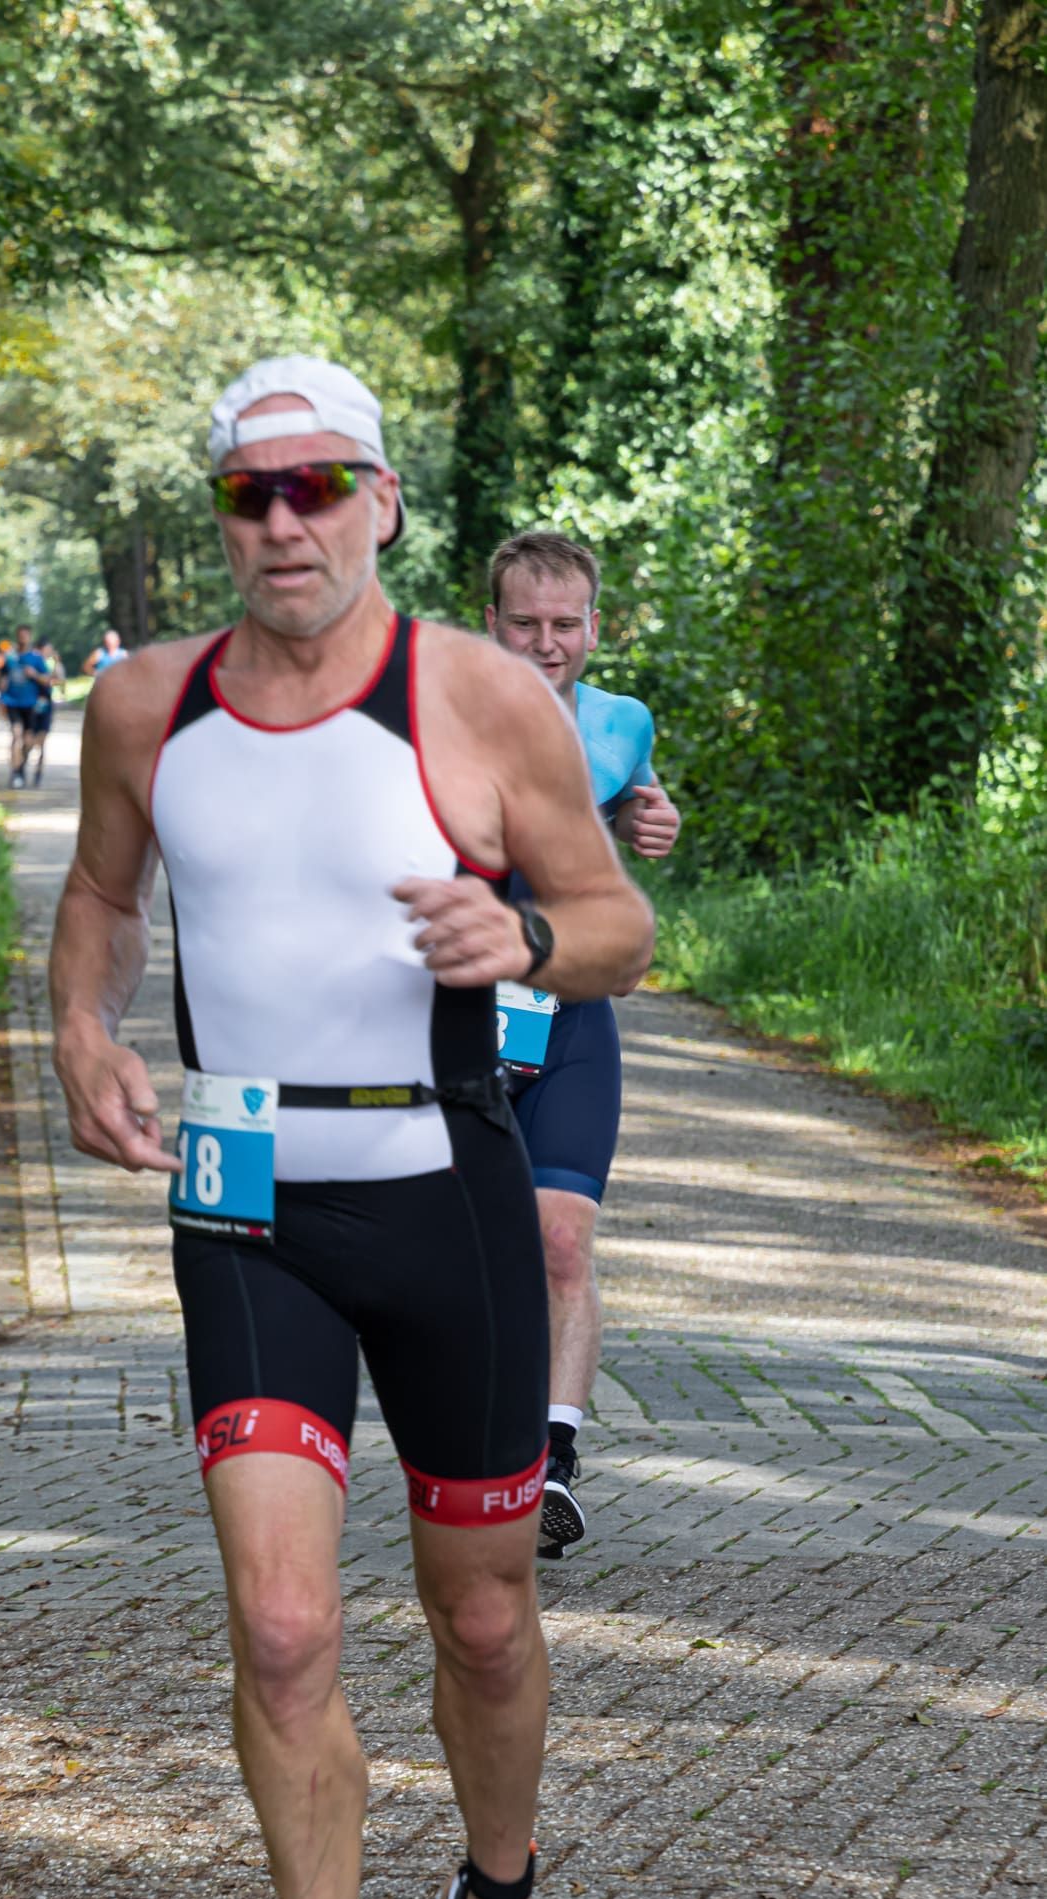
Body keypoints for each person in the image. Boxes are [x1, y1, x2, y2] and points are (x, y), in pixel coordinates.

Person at [49, 355, 653, 1899]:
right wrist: (75, 1030)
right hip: (241, 1191)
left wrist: (528, 930)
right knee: (287, 1627)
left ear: (381, 500)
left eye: (320, 487)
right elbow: (96, 896)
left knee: (478, 1619)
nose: (285, 522)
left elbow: (623, 924)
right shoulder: (146, 702)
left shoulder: (474, 695)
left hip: (440, 1183)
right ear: (221, 516)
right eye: (252, 494)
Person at [485, 531, 681, 1557]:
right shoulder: (443, 714)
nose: (544, 642)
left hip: (571, 1011)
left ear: (593, 628)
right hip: (457, 1014)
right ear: (491, 623)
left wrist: (655, 816)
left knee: (561, 1238)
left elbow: (638, 798)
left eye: (564, 624)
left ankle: (551, 1464)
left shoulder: (620, 719)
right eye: (524, 622)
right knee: (475, 1253)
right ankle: (476, 1454)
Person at [0, 624, 52, 787]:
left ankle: (20, 767)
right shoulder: (10, 657)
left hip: (31, 705)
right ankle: (15, 772)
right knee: (16, 735)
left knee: (28, 741)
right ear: (17, 637)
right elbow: (2, 678)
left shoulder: (36, 659)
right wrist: (1, 697)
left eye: (25, 635)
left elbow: (47, 680)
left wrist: (34, 674)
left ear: (29, 637)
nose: (22, 638)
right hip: (12, 702)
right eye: (20, 635)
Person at [20, 634, 63, 787]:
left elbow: (58, 681)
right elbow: (40, 678)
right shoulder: (30, 660)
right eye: (48, 649)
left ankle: (38, 772)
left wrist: (57, 664)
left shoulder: (50, 663)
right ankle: (21, 766)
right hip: (31, 703)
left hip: (46, 704)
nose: (50, 652)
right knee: (29, 739)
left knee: (43, 741)